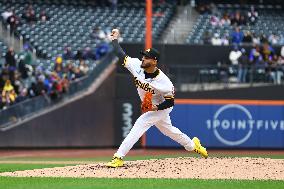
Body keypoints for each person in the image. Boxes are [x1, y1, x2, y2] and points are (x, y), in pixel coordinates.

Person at [106, 29, 208, 168]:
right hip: (151, 104)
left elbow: (170, 101)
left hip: (161, 105)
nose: (143, 58)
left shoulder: (164, 82)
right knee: (168, 130)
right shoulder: (136, 65)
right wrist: (114, 39)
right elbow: (120, 54)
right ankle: (192, 145)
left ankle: (118, 157)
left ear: (154, 61)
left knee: (140, 124)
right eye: (143, 56)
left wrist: (156, 108)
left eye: (147, 57)